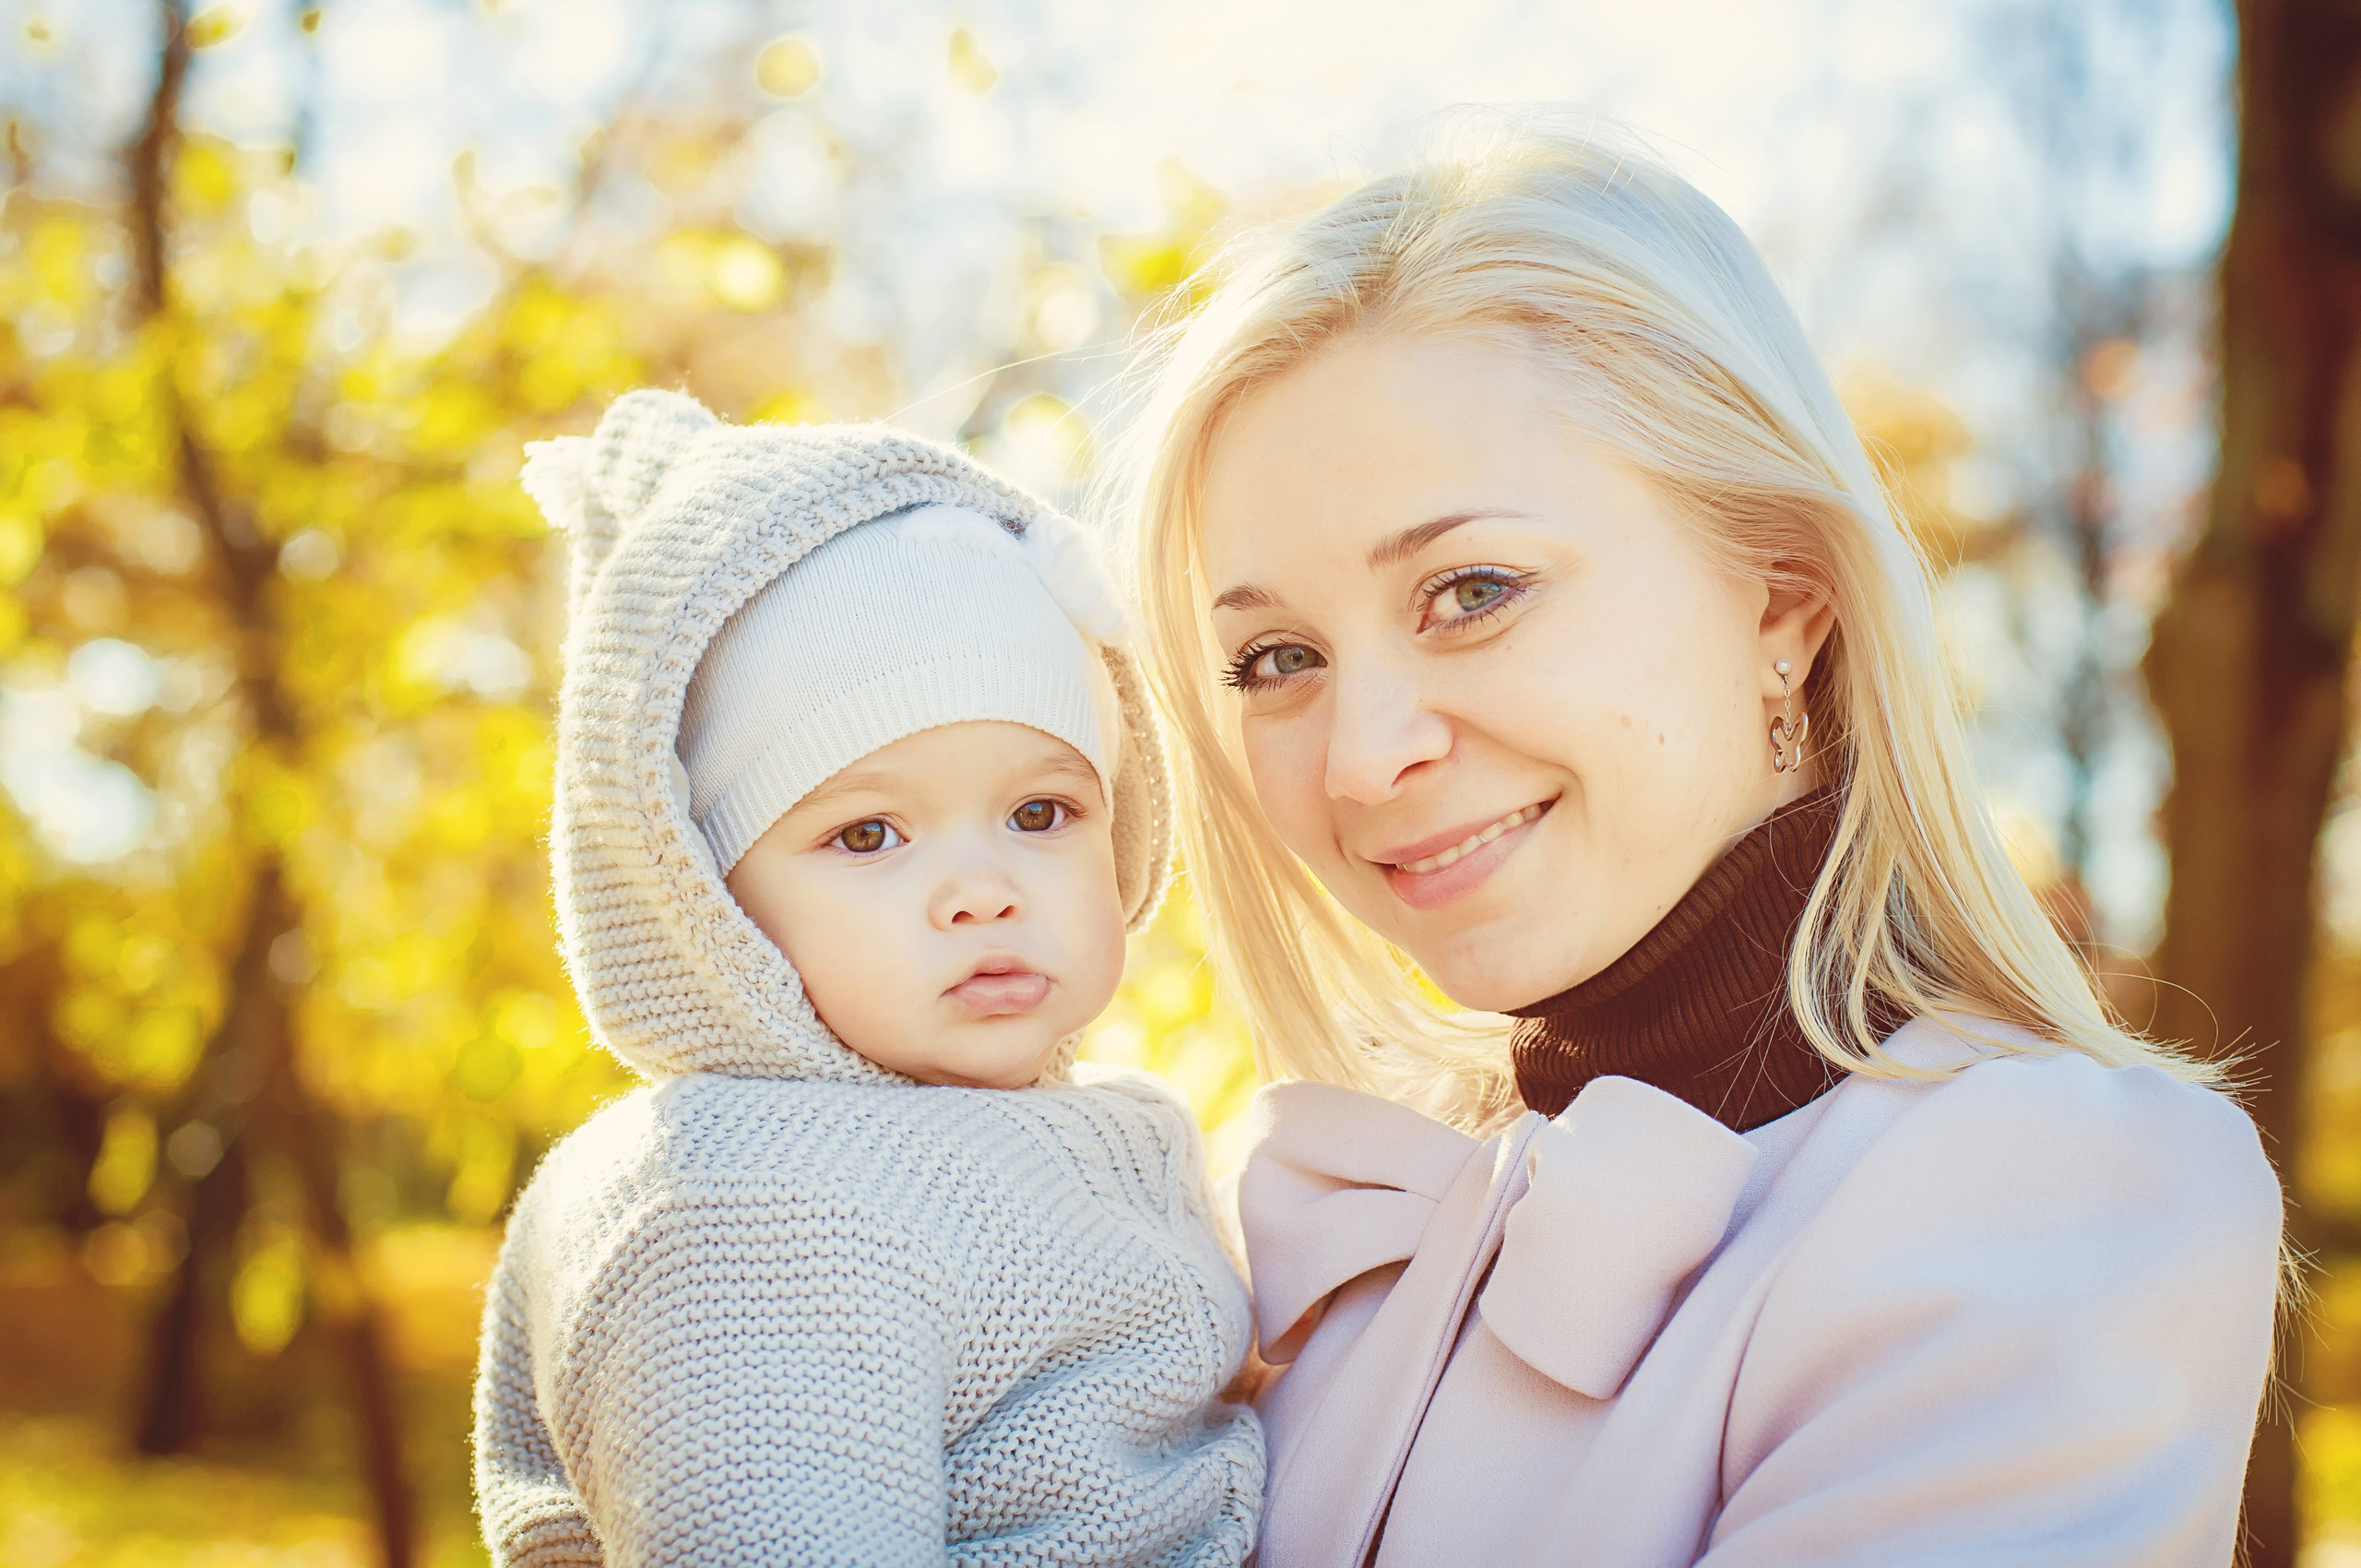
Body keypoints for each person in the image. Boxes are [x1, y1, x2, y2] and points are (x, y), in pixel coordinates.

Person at [1117, 113, 2283, 1565]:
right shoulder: (1318, 1227)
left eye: (1472, 590)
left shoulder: (2057, 1196)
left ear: (1781, 605)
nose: (1361, 758)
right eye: (1276, 659)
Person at [470, 391, 1264, 1567]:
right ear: (710, 900)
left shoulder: (1084, 1134)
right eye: (868, 835)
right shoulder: (742, 1200)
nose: (982, 888)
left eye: (1039, 811)